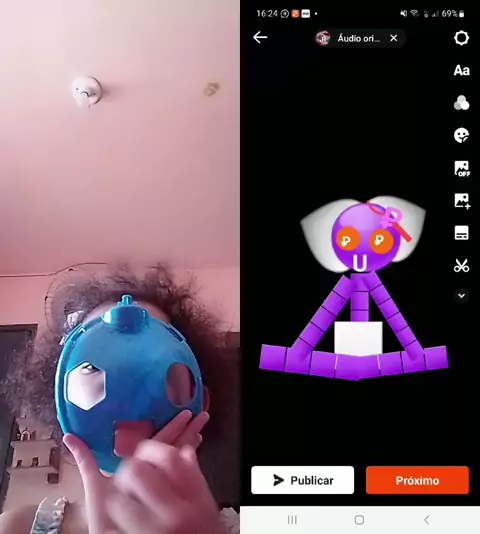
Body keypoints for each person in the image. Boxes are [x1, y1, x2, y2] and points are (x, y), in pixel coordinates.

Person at [0, 265, 240, 533]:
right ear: (61, 403)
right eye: (93, 369)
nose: (127, 395)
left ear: (199, 402)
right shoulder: (14, 527)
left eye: (150, 363)